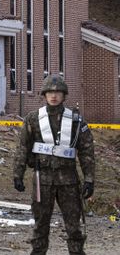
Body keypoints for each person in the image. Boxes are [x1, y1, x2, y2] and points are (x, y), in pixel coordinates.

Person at [12, 75, 95, 255]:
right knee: (40, 225)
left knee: (74, 226)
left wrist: (89, 179)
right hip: (42, 180)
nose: (54, 96)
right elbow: (23, 148)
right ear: (44, 94)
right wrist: (17, 175)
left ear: (64, 95)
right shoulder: (33, 119)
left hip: (69, 181)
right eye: (50, 92)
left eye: (58, 92)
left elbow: (86, 151)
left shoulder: (76, 120)